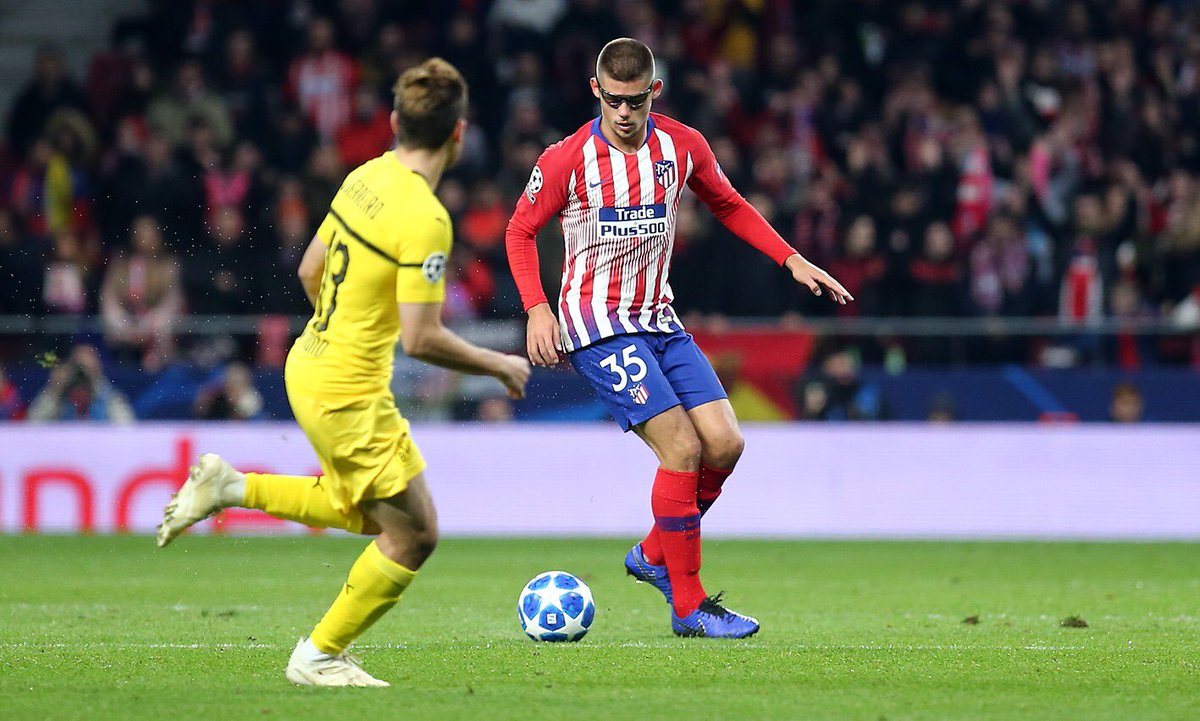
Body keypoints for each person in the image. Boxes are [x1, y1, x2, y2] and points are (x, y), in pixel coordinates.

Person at [156, 58, 531, 687]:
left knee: (373, 516)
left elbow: (309, 269)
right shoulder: (427, 218)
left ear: (392, 123)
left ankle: (230, 487)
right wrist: (499, 364)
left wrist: (343, 326)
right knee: (415, 535)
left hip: (310, 361)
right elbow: (421, 336)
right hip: (348, 388)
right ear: (459, 134)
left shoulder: (364, 177)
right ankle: (319, 655)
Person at [504, 38, 852, 639]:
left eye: (634, 101)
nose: (622, 113)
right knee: (682, 451)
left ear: (652, 94)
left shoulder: (682, 146)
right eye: (612, 100)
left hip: (659, 321)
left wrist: (790, 259)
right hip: (597, 326)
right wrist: (538, 309)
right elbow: (519, 230)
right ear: (596, 91)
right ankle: (689, 608)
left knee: (725, 445)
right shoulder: (566, 160)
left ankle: (652, 554)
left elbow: (730, 205)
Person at [27, 344, 135, 423]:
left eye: (86, 369)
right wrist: (54, 389)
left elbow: (126, 426)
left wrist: (98, 383)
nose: (81, 376)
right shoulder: (59, 399)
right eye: (77, 368)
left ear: (98, 369)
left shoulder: (108, 398)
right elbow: (33, 424)